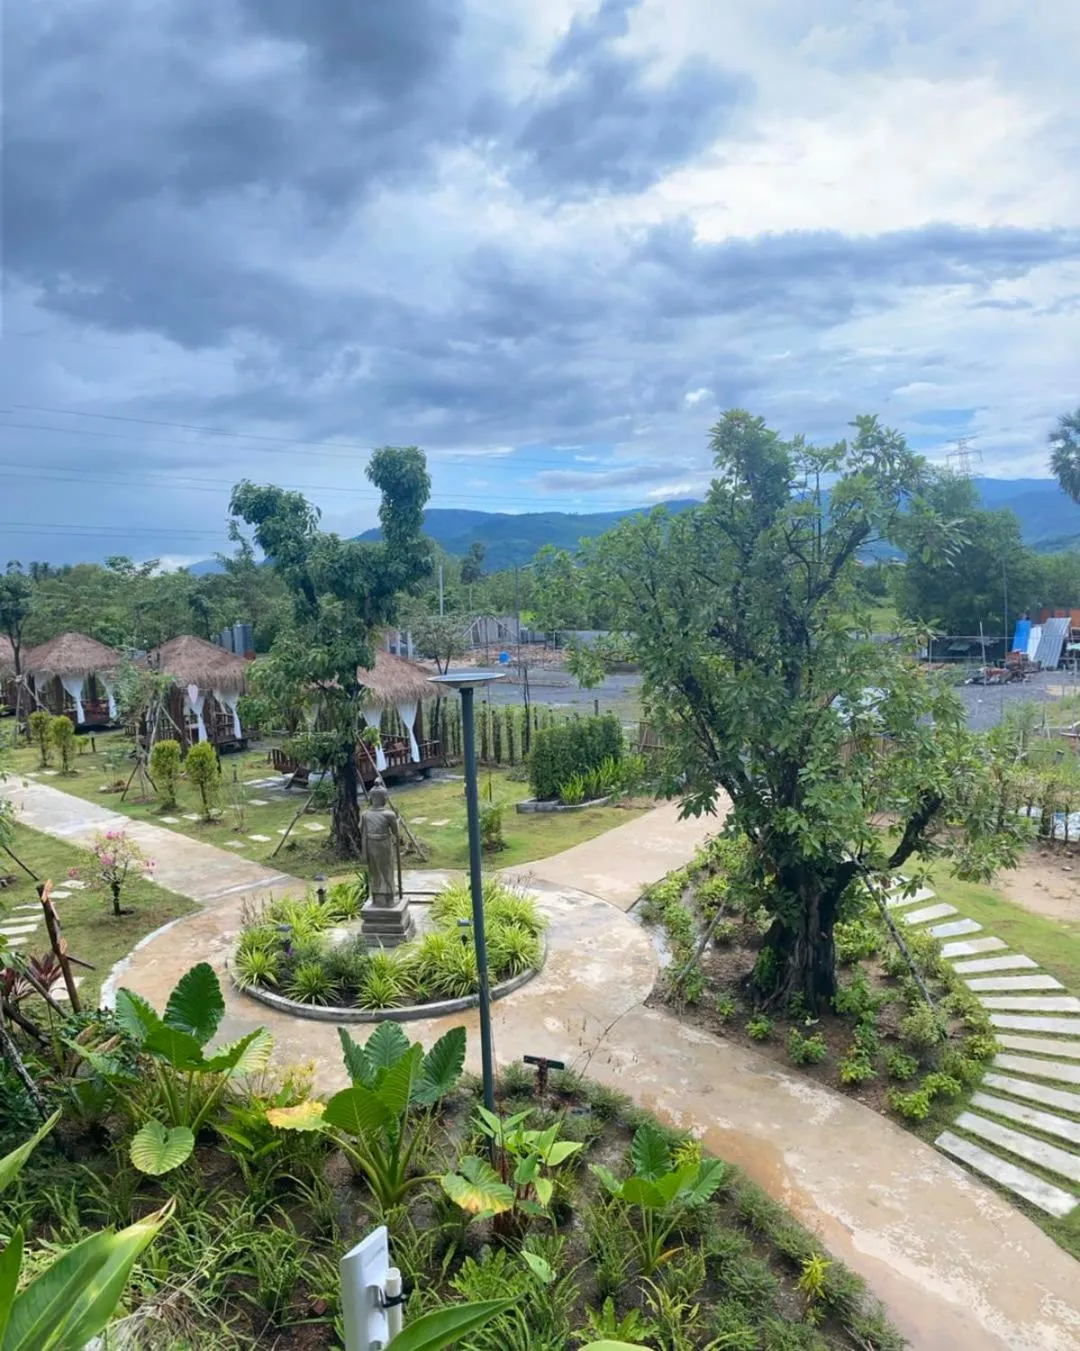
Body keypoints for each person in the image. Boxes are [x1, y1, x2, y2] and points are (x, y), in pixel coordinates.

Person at [359, 786, 400, 906]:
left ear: (371, 799)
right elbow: (395, 832)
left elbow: (361, 828)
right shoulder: (389, 814)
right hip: (383, 844)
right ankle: (388, 899)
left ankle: (377, 898)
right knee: (386, 870)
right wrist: (398, 821)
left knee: (375, 870)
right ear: (384, 799)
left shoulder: (365, 814)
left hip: (370, 844)